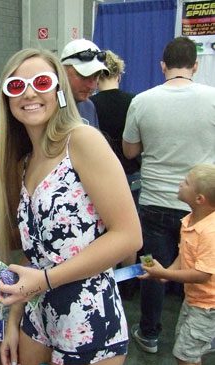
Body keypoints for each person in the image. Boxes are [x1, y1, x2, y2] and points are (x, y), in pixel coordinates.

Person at [0, 48, 141, 365]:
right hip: (36, 314)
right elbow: (34, 256)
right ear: (6, 99)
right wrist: (13, 322)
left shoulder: (83, 141)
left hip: (87, 318)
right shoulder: (22, 163)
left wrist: (45, 280)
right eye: (16, 86)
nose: (29, 92)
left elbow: (129, 236)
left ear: (59, 91)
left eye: (41, 82)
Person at [123, 36, 215, 354]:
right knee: (208, 269)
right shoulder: (213, 97)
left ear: (163, 66)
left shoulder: (142, 100)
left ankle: (149, 333)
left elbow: (130, 149)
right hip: (205, 206)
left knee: (154, 268)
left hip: (155, 200)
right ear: (196, 65)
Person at [139, 164, 215, 365]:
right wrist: (165, 274)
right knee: (190, 351)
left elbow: (202, 274)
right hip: (193, 301)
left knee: (185, 355)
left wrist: (164, 273)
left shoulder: (209, 232)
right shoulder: (189, 221)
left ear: (200, 199)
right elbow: (185, 256)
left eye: (186, 182)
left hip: (207, 308)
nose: (180, 183)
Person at [90, 50, 141, 299]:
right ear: (119, 74)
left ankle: (104, 279)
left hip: (98, 176)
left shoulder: (91, 105)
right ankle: (128, 284)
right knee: (129, 227)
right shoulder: (134, 101)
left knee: (104, 230)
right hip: (130, 173)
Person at [61, 39, 109, 127]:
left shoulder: (89, 107)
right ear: (63, 70)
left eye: (96, 76)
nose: (92, 86)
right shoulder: (46, 106)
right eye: (84, 76)